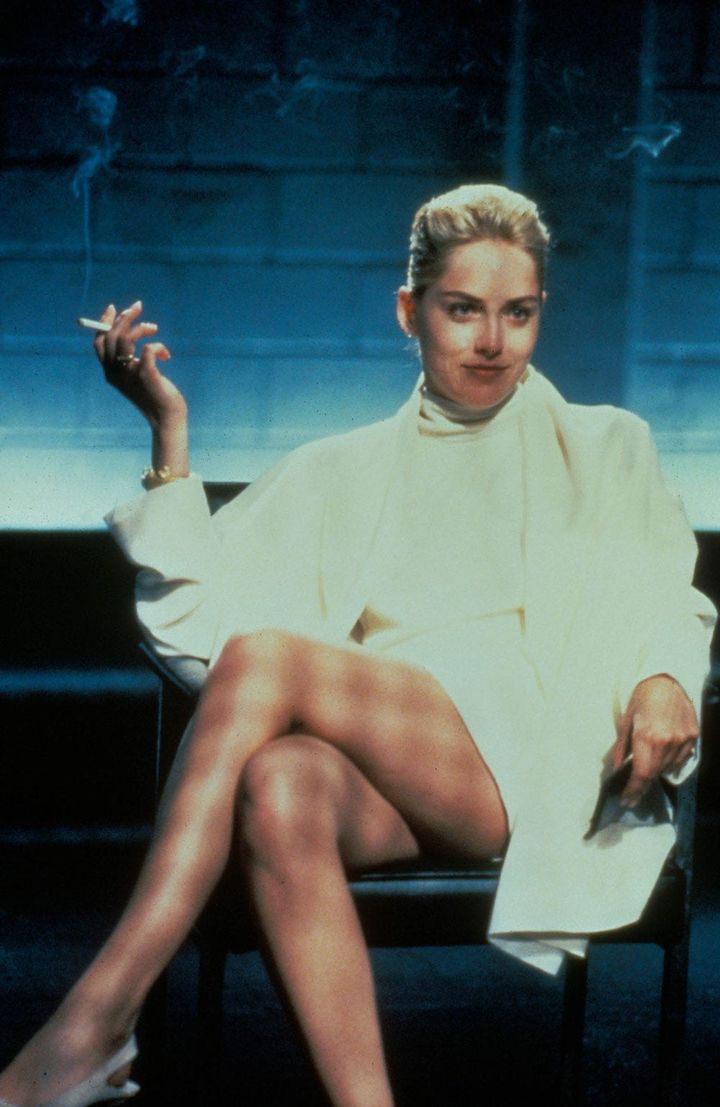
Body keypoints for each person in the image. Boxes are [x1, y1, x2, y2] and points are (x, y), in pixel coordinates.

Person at [0, 184, 713, 1107]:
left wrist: (664, 675)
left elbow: (666, 586)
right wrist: (168, 434)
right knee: (279, 784)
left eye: (519, 313)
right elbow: (195, 630)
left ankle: (95, 1020)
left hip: (549, 757)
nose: (493, 341)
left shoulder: (610, 443)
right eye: (463, 310)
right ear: (409, 311)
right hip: (412, 769)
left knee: (269, 659)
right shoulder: (341, 468)